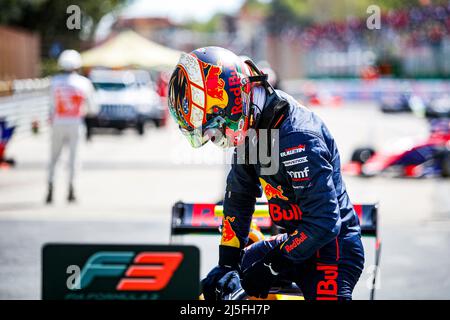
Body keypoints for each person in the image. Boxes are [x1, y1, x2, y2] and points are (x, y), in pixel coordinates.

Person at [167, 47, 365, 300]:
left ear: (233, 100)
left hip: (331, 250)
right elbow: (239, 197)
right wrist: (227, 263)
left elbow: (323, 223)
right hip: (291, 243)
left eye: (214, 124)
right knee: (218, 291)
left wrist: (273, 264)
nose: (214, 136)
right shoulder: (255, 124)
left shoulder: (298, 137)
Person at [46, 49, 96, 204]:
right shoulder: (83, 83)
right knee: (74, 158)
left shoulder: (54, 82)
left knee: (54, 157)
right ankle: (71, 189)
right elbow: (92, 108)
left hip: (57, 123)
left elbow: (50, 106)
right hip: (75, 123)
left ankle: (50, 186)